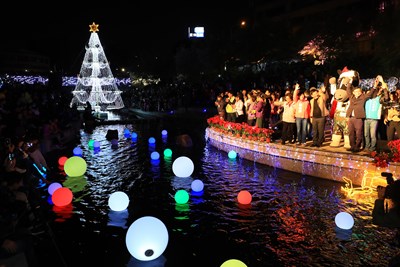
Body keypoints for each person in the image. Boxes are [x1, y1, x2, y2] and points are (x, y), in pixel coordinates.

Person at [364, 76, 389, 152]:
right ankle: (367, 147)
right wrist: (374, 86)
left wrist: (383, 86)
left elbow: (386, 97)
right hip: (366, 118)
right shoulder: (366, 99)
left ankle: (372, 148)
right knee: (366, 134)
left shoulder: (379, 99)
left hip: (374, 119)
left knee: (372, 135)